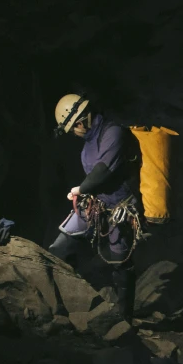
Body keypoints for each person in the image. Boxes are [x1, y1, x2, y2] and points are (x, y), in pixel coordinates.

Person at [47, 93, 142, 324]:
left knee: (120, 262)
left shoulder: (113, 133)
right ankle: (60, 305)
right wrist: (83, 192)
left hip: (120, 209)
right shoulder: (88, 144)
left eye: (72, 129)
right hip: (95, 206)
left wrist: (79, 189)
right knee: (59, 249)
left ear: (80, 121)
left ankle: (124, 318)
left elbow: (102, 172)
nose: (74, 134)